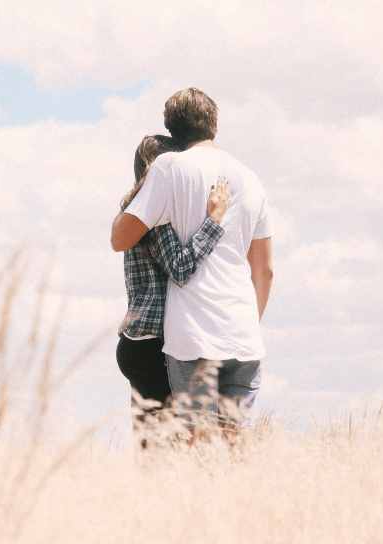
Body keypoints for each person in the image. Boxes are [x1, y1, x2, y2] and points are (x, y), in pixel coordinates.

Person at [111, 88, 274, 440]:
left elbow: (121, 240)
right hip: (243, 333)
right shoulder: (251, 178)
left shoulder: (168, 169)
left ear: (171, 130)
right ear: (215, 123)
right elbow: (265, 270)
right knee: (237, 445)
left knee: (192, 447)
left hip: (192, 336)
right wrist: (248, 322)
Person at [114, 134, 231, 445]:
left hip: (137, 342)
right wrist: (214, 221)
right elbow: (179, 268)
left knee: (151, 448)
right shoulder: (157, 215)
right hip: (154, 345)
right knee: (170, 449)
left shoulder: (133, 211)